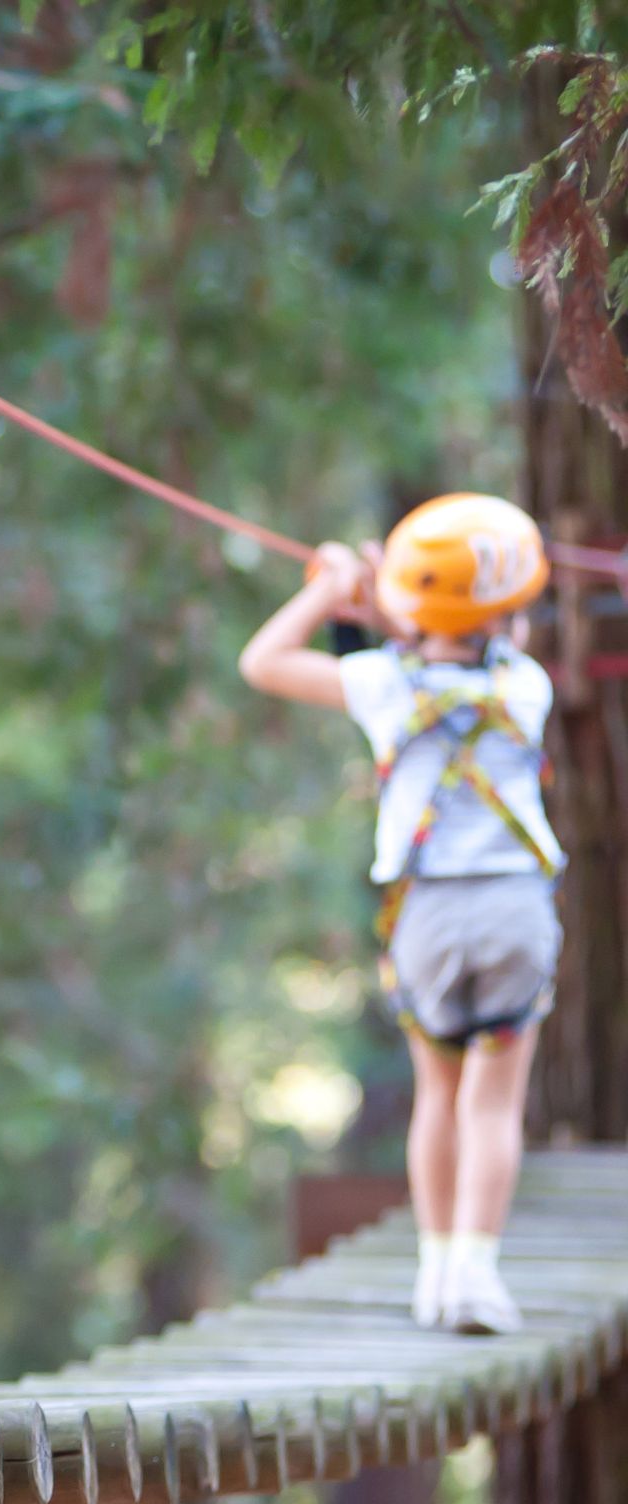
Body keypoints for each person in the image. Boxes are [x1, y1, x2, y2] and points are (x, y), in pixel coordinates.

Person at [239, 496, 564, 1333]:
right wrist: (387, 587)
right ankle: (477, 1276)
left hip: (425, 915)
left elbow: (265, 661)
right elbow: (459, 621)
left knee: (438, 1096)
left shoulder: (381, 685)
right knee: (493, 1104)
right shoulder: (525, 685)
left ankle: (432, 1275)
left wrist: (332, 589)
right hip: (514, 911)